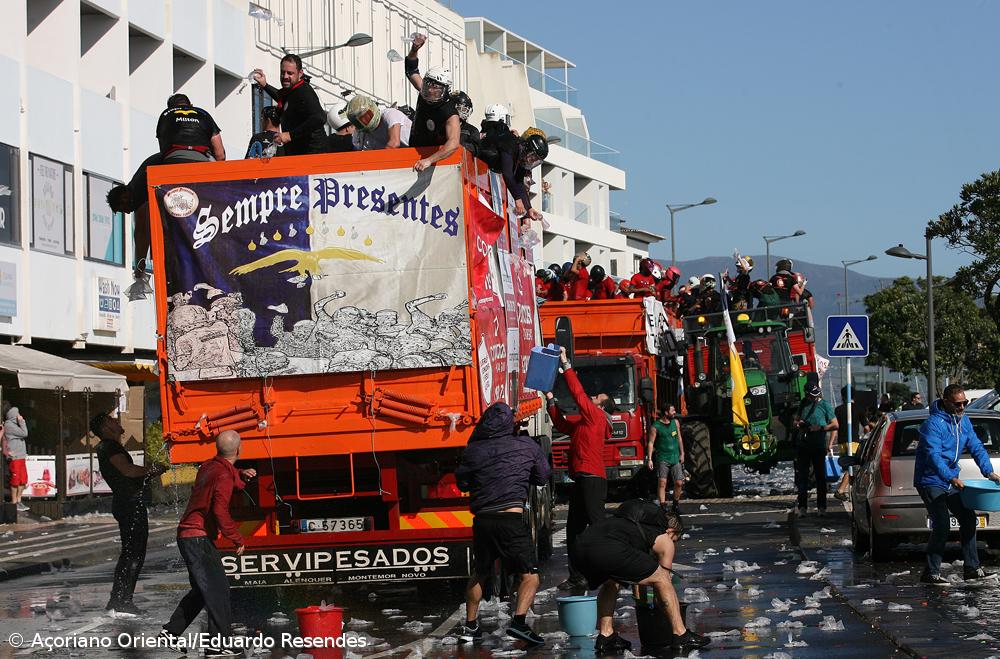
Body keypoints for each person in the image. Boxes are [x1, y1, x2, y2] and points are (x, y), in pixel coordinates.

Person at [454, 402, 550, 645]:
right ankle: (518, 623)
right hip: (510, 519)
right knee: (530, 576)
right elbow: (542, 477)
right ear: (512, 424)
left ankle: (470, 625)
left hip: (483, 520)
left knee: (481, 573)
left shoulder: (473, 450)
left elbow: (462, 483)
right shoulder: (526, 446)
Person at [161, 430, 257, 657]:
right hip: (197, 538)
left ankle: (171, 633)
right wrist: (236, 538)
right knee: (218, 589)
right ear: (239, 450)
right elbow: (219, 510)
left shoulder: (209, 466)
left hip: (189, 536)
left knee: (202, 591)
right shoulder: (223, 475)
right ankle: (218, 643)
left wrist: (241, 474)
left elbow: (224, 473)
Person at [571, 501, 710, 654]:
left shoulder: (629, 525)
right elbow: (662, 582)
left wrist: (642, 599)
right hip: (610, 549)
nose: (673, 543)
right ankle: (680, 633)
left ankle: (606, 635)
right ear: (671, 531)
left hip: (581, 547)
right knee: (662, 578)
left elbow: (639, 575)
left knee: (611, 583)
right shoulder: (664, 538)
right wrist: (657, 609)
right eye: (675, 539)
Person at [914, 385, 1000, 585]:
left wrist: (988, 471)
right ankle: (931, 573)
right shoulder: (933, 424)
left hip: (951, 478)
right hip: (931, 479)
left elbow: (976, 446)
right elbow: (933, 456)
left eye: (965, 403)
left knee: (968, 518)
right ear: (946, 402)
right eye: (958, 404)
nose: (962, 407)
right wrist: (950, 478)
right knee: (942, 524)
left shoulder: (964, 421)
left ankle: (972, 568)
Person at [545, 347, 614, 591]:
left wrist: (565, 363)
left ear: (602, 407)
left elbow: (577, 393)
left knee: (596, 528)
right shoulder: (588, 423)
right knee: (575, 530)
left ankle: (610, 571)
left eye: (597, 398)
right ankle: (578, 576)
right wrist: (551, 400)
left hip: (591, 479)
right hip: (584, 478)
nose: (593, 398)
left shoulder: (595, 417)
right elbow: (563, 426)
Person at [93, 411, 167, 617]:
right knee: (133, 553)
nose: (116, 421)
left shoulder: (108, 447)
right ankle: (122, 600)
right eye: (111, 420)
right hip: (128, 503)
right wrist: (152, 469)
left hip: (126, 502)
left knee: (131, 552)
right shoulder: (109, 446)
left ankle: (119, 598)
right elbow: (127, 470)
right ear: (104, 428)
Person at [404, 34, 461, 171]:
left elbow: (453, 143)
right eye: (428, 84)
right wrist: (414, 49)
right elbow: (411, 70)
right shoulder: (425, 91)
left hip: (437, 160)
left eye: (436, 87)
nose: (430, 90)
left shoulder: (450, 112)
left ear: (445, 89)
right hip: (413, 150)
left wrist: (429, 160)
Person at [252, 55, 328, 156]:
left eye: (290, 73)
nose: (285, 76)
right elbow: (283, 99)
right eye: (282, 72)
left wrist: (289, 135)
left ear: (300, 73)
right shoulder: (290, 92)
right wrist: (265, 85)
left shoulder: (304, 91)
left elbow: (320, 117)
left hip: (312, 155)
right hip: (299, 155)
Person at [792, 384, 838, 516]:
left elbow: (835, 424)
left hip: (818, 446)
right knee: (802, 478)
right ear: (806, 394)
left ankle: (821, 507)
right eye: (812, 395)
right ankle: (802, 508)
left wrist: (820, 428)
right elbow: (795, 420)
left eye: (816, 395)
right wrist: (798, 424)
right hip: (803, 445)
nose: (814, 397)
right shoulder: (803, 403)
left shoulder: (825, 405)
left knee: (820, 477)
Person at [155, 93, 225, 162]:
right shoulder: (204, 113)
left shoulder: (166, 114)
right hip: (202, 158)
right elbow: (220, 154)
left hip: (174, 158)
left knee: (148, 165)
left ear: (170, 107)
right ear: (191, 105)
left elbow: (163, 148)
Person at [647, 405, 685, 510]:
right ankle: (663, 506)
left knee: (679, 482)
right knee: (662, 482)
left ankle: (675, 504)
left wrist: (682, 453)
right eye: (672, 411)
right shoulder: (656, 426)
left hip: (675, 457)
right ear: (666, 413)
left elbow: (679, 439)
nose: (674, 412)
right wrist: (649, 459)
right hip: (662, 458)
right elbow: (651, 443)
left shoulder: (675, 423)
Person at [346, 94, 411, 150]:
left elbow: (394, 143)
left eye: (365, 117)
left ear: (371, 108)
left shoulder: (389, 114)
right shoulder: (365, 135)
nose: (363, 122)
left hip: (418, 149)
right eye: (358, 122)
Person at [832, 386, 861, 501]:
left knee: (848, 467)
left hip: (841, 442)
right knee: (853, 467)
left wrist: (830, 442)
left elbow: (835, 427)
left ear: (842, 396)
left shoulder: (838, 410)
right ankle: (841, 490)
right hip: (853, 441)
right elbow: (867, 427)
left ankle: (853, 492)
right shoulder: (858, 408)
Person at [3, 403, 28, 512]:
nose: (19, 415)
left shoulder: (15, 425)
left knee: (23, 480)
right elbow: (24, 433)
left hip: (21, 456)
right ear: (13, 415)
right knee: (15, 480)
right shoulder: (9, 425)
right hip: (15, 457)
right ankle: (14, 502)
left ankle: (19, 500)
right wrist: (22, 422)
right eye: (17, 413)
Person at [452, 91, 481, 157]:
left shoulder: (471, 130)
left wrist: (460, 145)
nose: (464, 112)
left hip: (463, 162)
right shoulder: (441, 127)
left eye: (466, 110)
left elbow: (477, 149)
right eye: (462, 109)